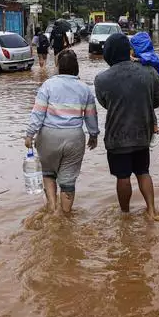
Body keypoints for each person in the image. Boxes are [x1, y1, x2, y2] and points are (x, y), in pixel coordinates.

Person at [94, 34, 159, 219]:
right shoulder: (148, 71)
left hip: (117, 137)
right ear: (128, 50)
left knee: (123, 176)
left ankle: (125, 214)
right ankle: (151, 210)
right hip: (142, 134)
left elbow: (105, 103)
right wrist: (145, 104)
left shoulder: (101, 79)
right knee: (143, 172)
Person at [25, 49, 99, 213]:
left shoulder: (48, 85)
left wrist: (30, 134)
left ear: (58, 66)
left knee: (48, 173)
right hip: (74, 138)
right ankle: (64, 217)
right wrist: (93, 135)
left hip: (48, 137)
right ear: (76, 67)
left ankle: (52, 208)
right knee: (68, 181)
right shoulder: (84, 88)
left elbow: (38, 112)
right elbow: (91, 116)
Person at [130, 32, 159, 147]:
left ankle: (155, 131)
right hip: (151, 86)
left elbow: (148, 60)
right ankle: (154, 131)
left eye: (132, 47)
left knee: (149, 107)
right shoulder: (149, 56)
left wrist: (136, 60)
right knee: (148, 107)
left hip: (155, 86)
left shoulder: (151, 57)